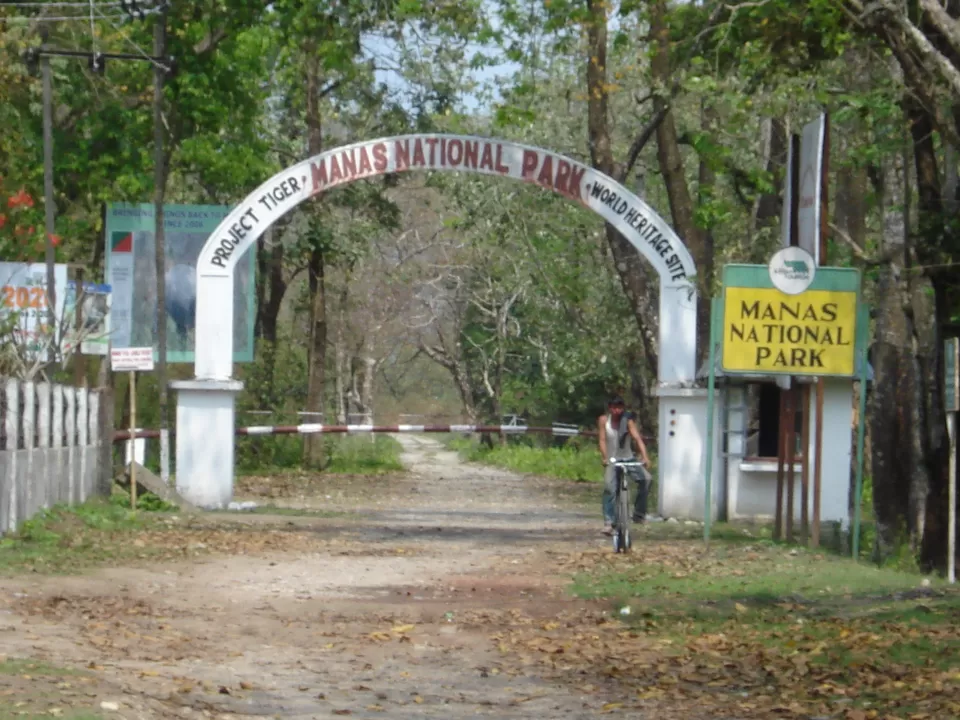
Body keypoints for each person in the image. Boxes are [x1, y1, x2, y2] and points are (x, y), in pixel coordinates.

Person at [598, 395, 651, 535]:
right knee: (610, 488)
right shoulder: (604, 420)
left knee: (646, 479)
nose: (617, 410)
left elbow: (637, 438)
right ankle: (609, 522)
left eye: (620, 407)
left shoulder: (627, 420)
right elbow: (602, 440)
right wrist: (605, 457)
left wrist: (645, 457)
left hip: (627, 458)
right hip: (612, 460)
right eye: (614, 407)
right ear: (610, 408)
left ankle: (639, 514)